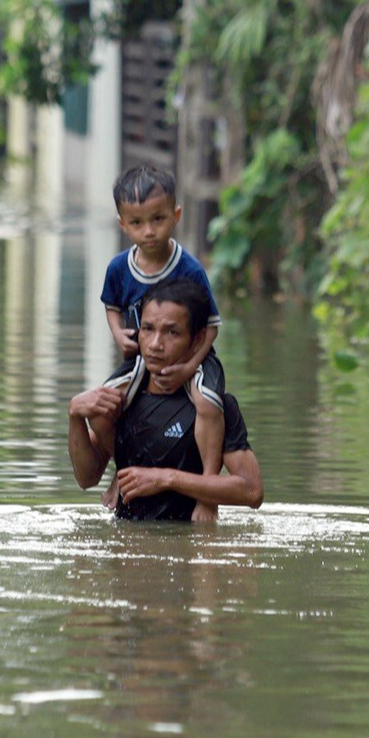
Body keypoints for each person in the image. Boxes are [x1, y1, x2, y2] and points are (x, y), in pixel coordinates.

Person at [69, 278, 263, 521]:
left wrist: (166, 478)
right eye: (148, 329)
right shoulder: (123, 402)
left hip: (190, 549)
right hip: (127, 550)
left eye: (172, 332)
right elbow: (87, 479)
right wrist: (75, 416)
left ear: (197, 340)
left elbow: (252, 491)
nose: (155, 344)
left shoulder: (216, 408)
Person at [100, 165, 228, 521]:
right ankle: (120, 476)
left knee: (207, 402)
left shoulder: (189, 269)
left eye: (158, 219)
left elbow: (212, 327)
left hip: (195, 357)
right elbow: (111, 307)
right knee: (104, 406)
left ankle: (208, 491)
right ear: (123, 224)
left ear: (176, 216)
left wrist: (190, 366)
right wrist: (117, 333)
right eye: (137, 223)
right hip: (143, 360)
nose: (149, 231)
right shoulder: (119, 268)